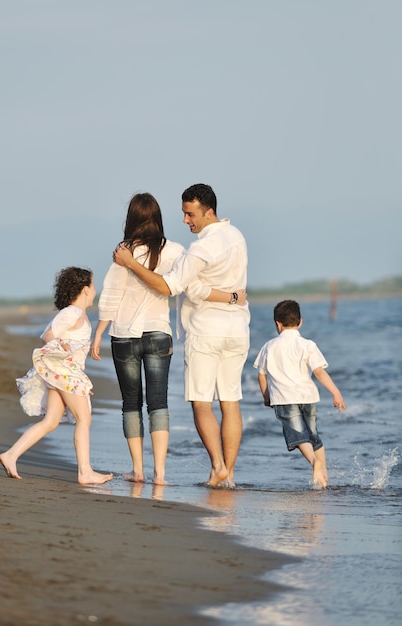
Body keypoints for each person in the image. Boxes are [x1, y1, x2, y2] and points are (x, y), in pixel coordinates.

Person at [113, 183, 249, 488]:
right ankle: (228, 473)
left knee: (201, 403)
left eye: (190, 214)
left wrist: (131, 263)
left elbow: (169, 286)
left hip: (206, 331)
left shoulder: (201, 248)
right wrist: (230, 298)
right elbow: (202, 288)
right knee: (230, 401)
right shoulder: (237, 237)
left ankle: (218, 467)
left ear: (209, 211)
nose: (187, 220)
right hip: (238, 329)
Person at [90, 193, 185, 486]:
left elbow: (111, 294)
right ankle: (160, 473)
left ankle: (138, 470)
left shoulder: (123, 253)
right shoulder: (175, 250)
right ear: (158, 218)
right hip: (159, 332)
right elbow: (183, 286)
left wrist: (98, 332)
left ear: (131, 218)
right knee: (158, 403)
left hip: (124, 335)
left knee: (131, 403)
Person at [0, 267, 113, 485]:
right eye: (94, 286)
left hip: (63, 374)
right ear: (86, 289)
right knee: (83, 419)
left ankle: (11, 455)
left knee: (51, 421)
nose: (96, 291)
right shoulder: (71, 313)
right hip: (65, 373)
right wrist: (60, 347)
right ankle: (85, 472)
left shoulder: (76, 314)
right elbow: (47, 334)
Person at [253, 299, 346, 488]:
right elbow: (319, 372)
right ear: (300, 322)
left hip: (284, 399)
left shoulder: (269, 346)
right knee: (313, 435)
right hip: (308, 397)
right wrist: (336, 392)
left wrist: (266, 396)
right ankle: (324, 477)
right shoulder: (308, 345)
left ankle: (314, 463)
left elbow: (261, 375)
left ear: (277, 324)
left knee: (298, 436)